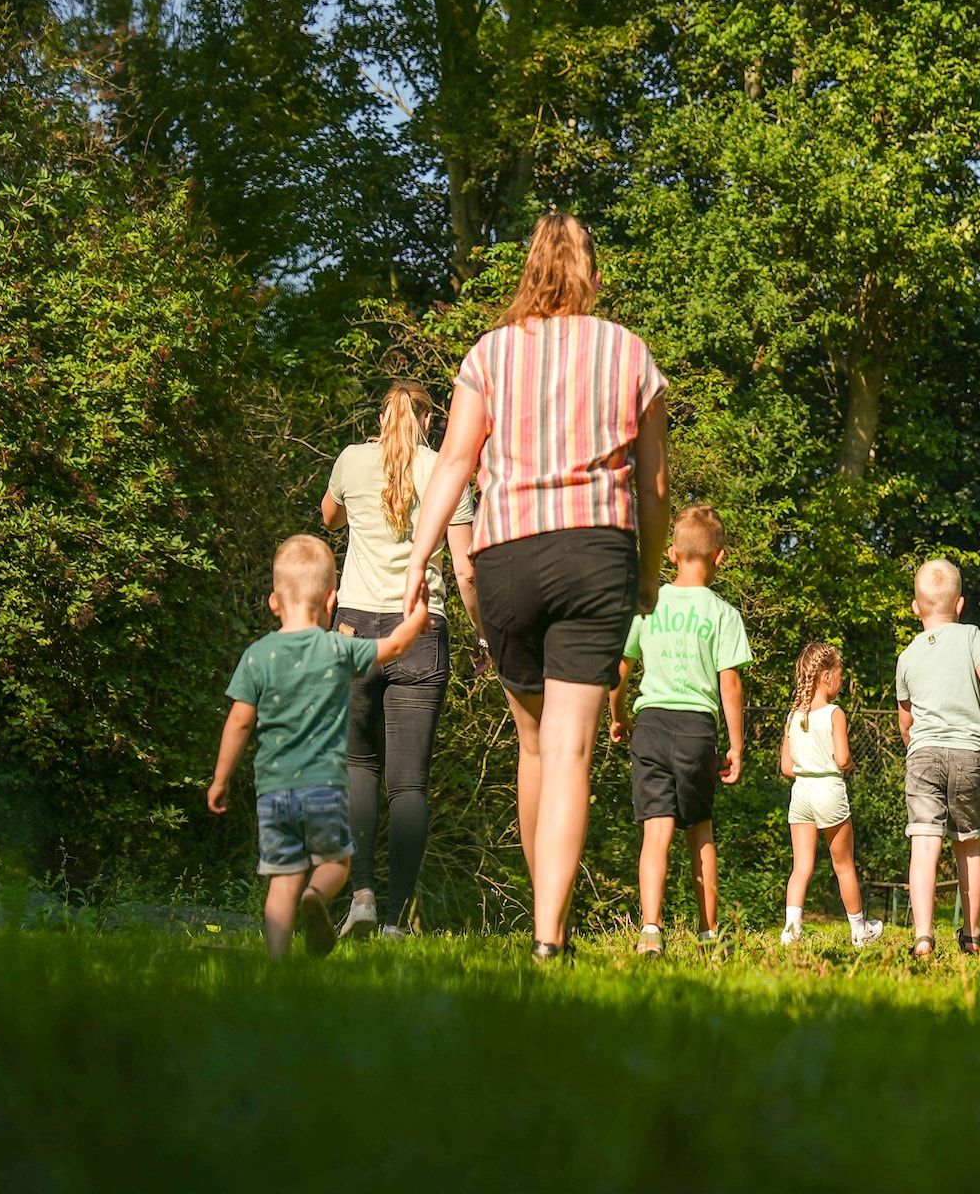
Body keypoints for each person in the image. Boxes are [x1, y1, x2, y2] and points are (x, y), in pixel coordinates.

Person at [400, 213, 670, 962]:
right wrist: (648, 574)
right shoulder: (627, 351)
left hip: (506, 556)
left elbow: (454, 465)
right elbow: (653, 487)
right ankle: (551, 934)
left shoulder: (488, 355)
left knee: (533, 743)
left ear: (527, 270)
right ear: (590, 270)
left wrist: (418, 567)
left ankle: (541, 921)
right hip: (594, 552)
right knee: (572, 748)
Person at [209, 535, 429, 958]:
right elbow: (397, 647)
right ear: (332, 600)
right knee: (336, 864)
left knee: (281, 878)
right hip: (325, 788)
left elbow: (239, 720)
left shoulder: (258, 656)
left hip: (273, 790)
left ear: (274, 602)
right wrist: (418, 615)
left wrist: (220, 779)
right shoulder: (337, 649)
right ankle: (316, 896)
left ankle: (277, 963)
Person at [321, 381, 479, 939]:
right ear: (432, 421)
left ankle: (360, 896)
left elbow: (328, 518)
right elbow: (464, 569)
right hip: (419, 628)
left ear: (383, 416)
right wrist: (485, 635)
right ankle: (395, 921)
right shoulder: (447, 472)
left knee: (357, 766)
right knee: (408, 784)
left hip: (354, 632)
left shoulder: (351, 460)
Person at [608, 503, 749, 957]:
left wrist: (618, 715)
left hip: (649, 724)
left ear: (670, 554)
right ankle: (708, 934)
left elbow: (620, 669)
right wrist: (737, 746)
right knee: (700, 832)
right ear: (720, 557)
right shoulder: (724, 614)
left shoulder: (647, 604)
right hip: (696, 729)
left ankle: (650, 929)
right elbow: (730, 685)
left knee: (656, 833)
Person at [896, 558, 980, 958]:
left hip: (923, 754)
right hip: (967, 753)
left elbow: (907, 720)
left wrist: (913, 744)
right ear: (960, 605)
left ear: (915, 607)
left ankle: (923, 936)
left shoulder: (907, 657)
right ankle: (971, 936)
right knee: (968, 844)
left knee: (924, 845)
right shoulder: (971, 635)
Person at [777, 641, 883, 948]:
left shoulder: (792, 716)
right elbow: (841, 758)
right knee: (844, 864)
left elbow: (786, 767)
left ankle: (791, 930)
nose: (841, 679)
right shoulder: (836, 713)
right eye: (840, 673)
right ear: (827, 677)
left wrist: (808, 767)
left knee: (801, 866)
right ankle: (859, 929)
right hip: (829, 792)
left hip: (801, 794)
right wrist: (848, 764)